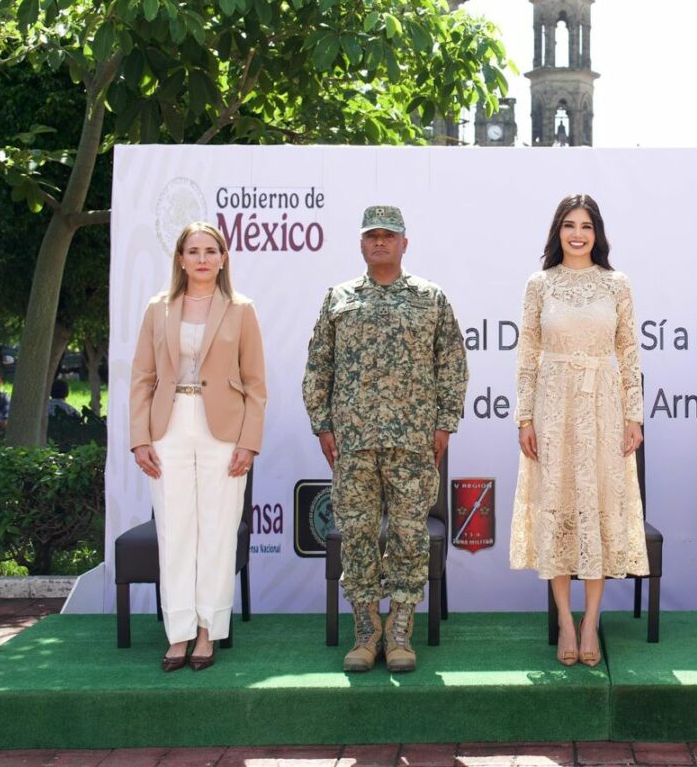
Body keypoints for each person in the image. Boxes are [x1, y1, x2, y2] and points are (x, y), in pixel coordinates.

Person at [303, 206, 467, 674]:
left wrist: (443, 423)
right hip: (353, 441)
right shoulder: (339, 298)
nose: (380, 242)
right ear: (360, 244)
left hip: (413, 442)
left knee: (409, 537)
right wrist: (323, 424)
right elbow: (319, 366)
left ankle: (399, 633)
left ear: (404, 244)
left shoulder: (429, 298)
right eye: (371, 235)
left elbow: (451, 364)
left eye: (388, 235)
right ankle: (365, 632)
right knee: (356, 535)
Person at [510, 194, 649, 668]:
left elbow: (629, 352)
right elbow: (527, 355)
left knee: (597, 507)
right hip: (552, 407)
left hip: (605, 406)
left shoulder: (617, 284)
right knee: (558, 508)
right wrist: (524, 418)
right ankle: (565, 623)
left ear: (597, 233)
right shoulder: (539, 284)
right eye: (569, 225)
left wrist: (634, 416)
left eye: (586, 226)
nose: (577, 234)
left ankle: (591, 620)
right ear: (557, 232)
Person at [129, 220, 267, 673]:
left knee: (218, 531)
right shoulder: (158, 308)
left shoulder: (241, 309)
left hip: (222, 433)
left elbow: (255, 385)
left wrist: (248, 443)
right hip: (168, 428)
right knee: (175, 532)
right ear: (181, 258)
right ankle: (179, 633)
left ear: (223, 258)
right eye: (194, 251)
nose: (203, 258)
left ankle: (208, 631)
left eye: (211, 250)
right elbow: (142, 379)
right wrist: (139, 438)